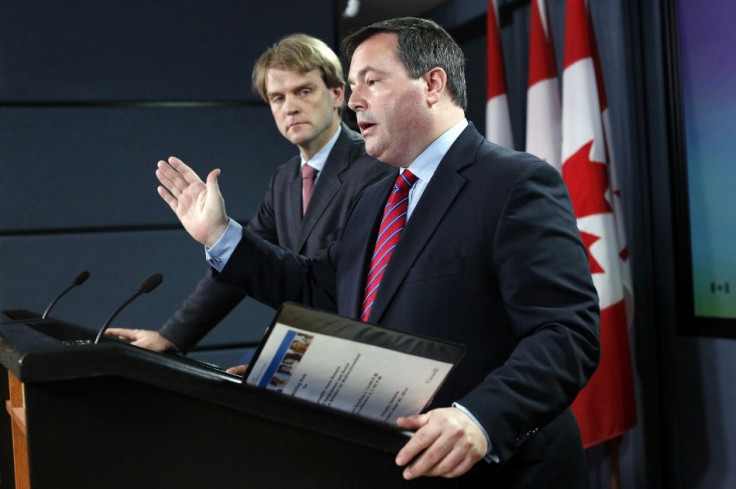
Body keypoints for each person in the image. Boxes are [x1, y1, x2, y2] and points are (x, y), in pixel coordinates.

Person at [154, 17, 600, 487]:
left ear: (431, 84)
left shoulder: (515, 183)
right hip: (395, 461)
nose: (356, 100)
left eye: (372, 81)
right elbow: (321, 288)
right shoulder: (379, 198)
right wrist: (220, 235)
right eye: (352, 85)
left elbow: (566, 331)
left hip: (503, 469)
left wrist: (480, 418)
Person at [106, 34, 391, 364]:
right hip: (306, 350)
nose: (291, 107)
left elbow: (347, 293)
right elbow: (241, 263)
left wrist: (279, 371)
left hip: (354, 359)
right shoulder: (284, 180)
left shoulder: (376, 169)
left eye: (304, 91)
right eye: (277, 98)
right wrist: (171, 336)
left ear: (337, 93)